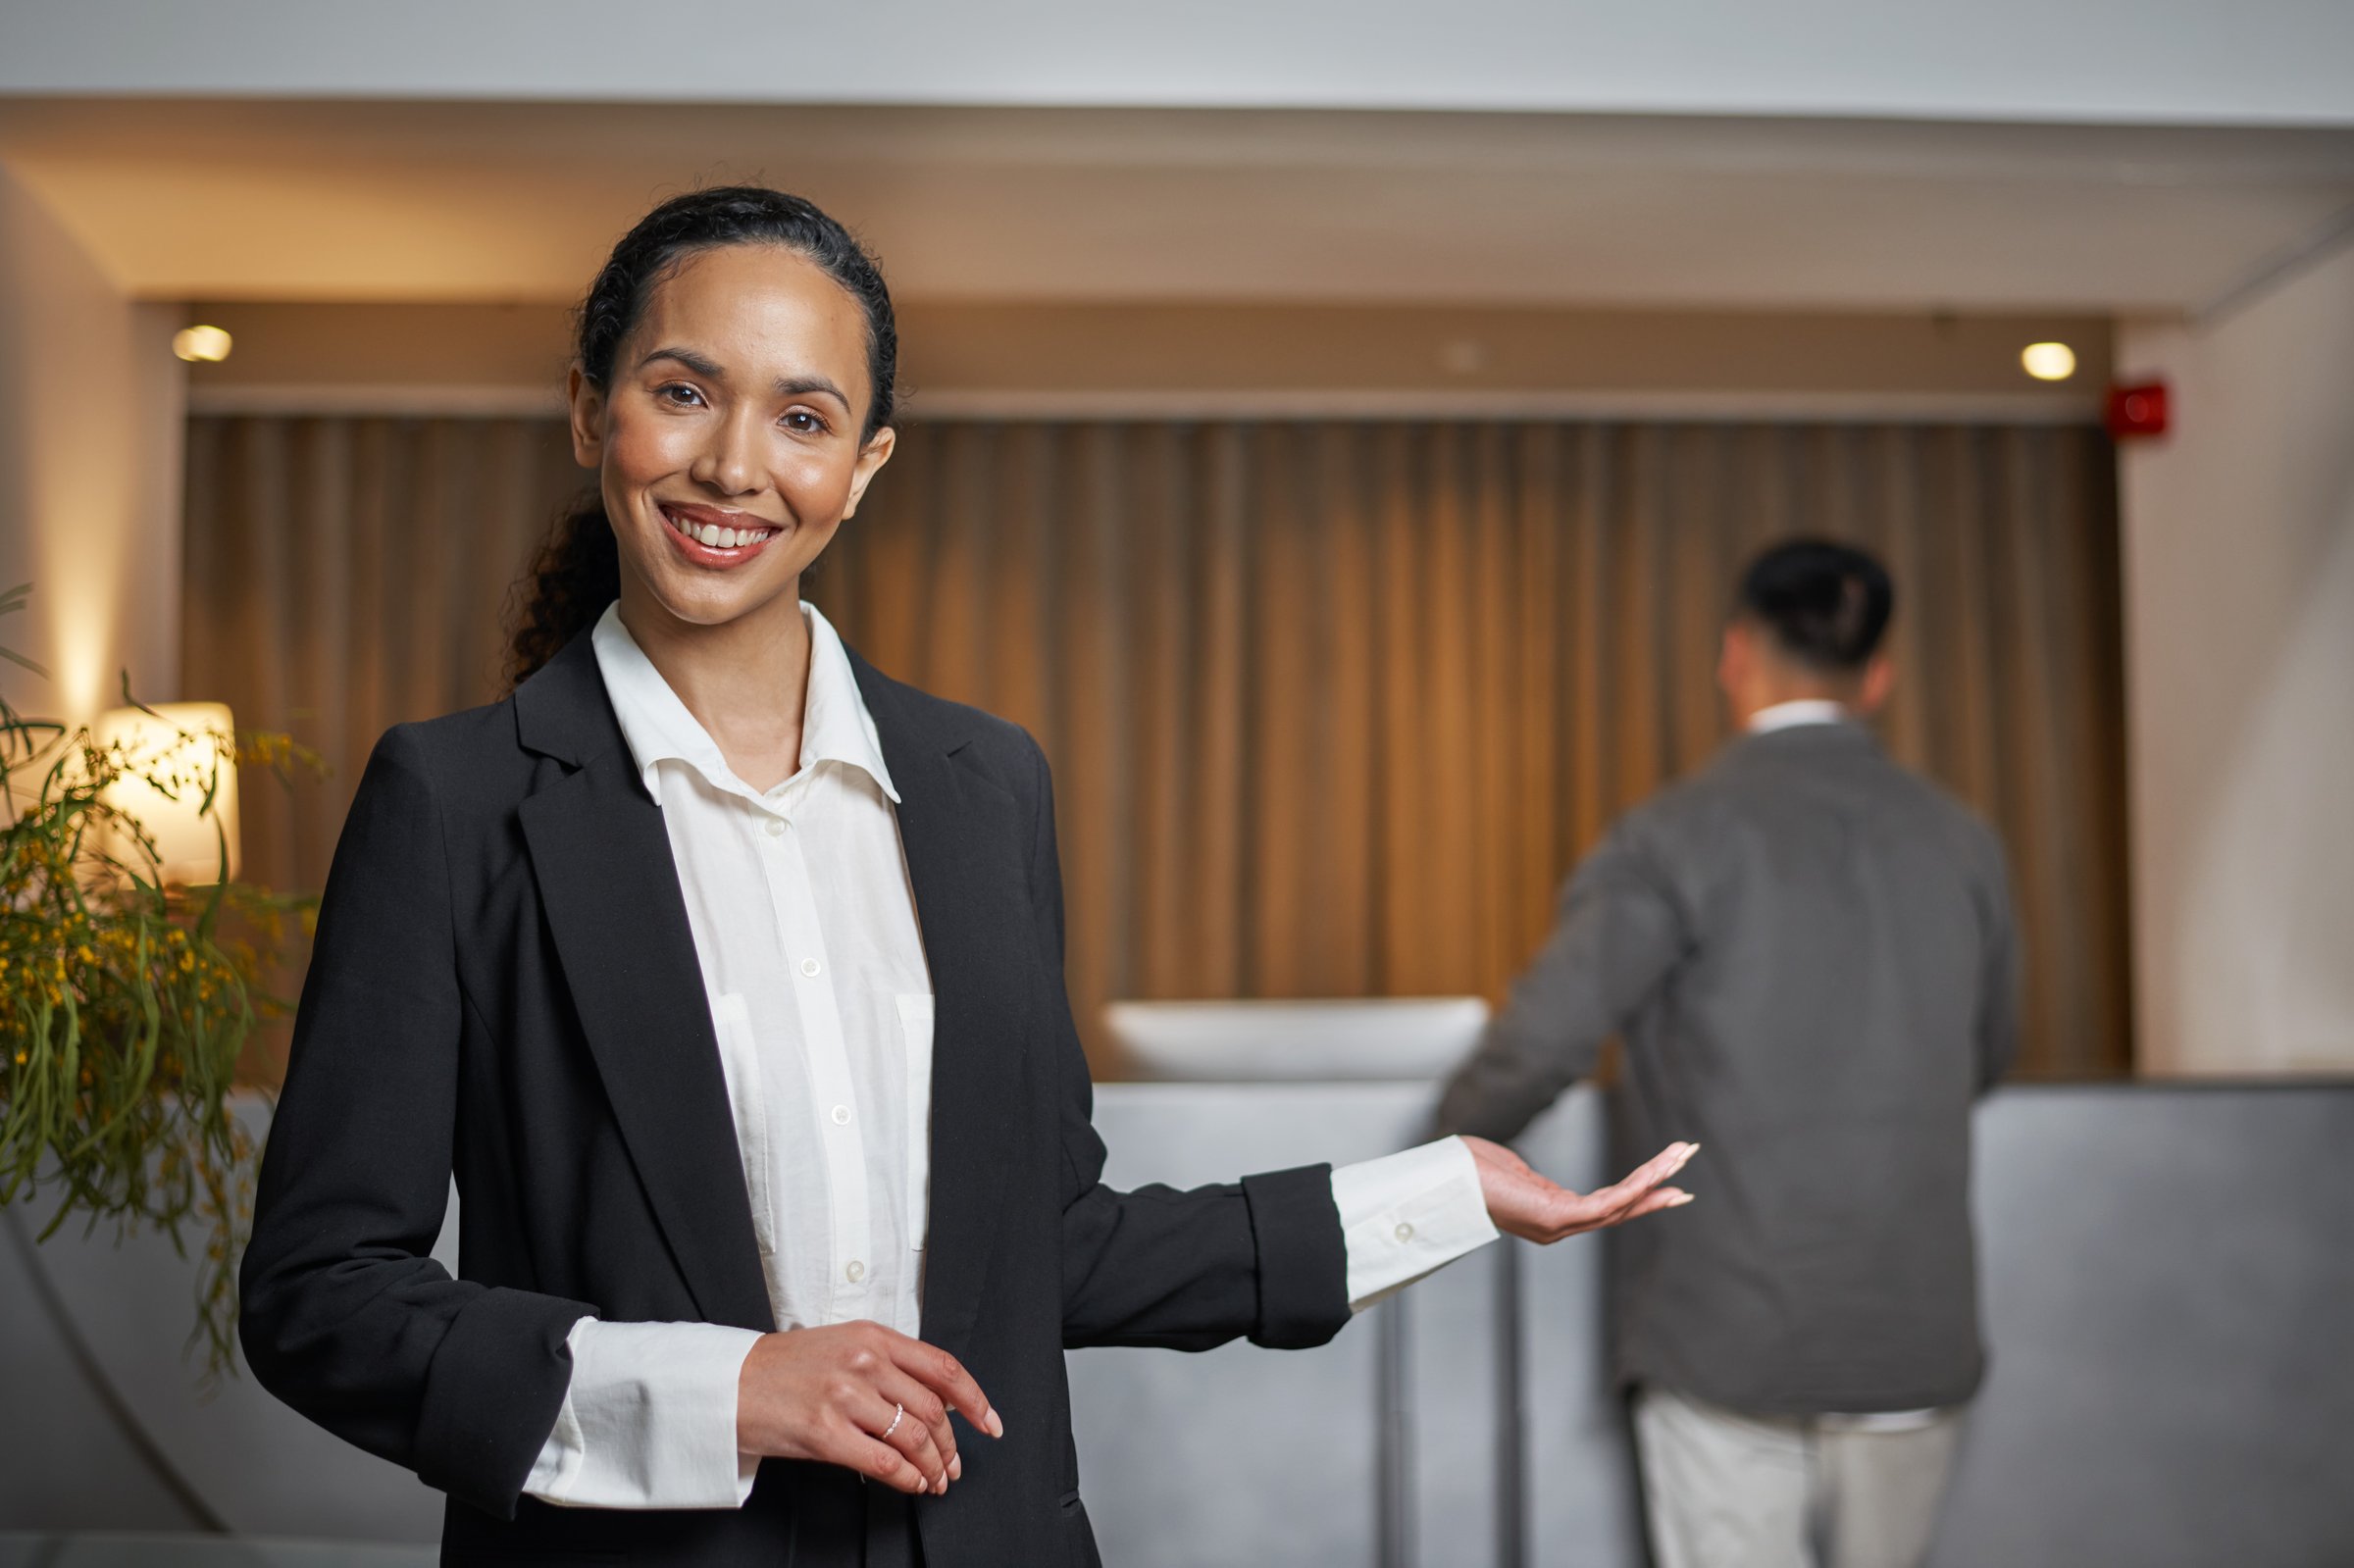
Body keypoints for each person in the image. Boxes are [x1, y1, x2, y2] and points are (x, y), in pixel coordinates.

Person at [237, 186, 1697, 1568]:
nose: (736, 463)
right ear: (587, 406)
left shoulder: (985, 785)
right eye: (682, 390)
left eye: (803, 416)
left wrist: (1447, 1189)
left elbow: (1041, 1242)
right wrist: (726, 1385)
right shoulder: (455, 798)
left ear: (864, 464)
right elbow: (319, 1299)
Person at [1437, 539, 2019, 1568]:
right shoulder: (1961, 838)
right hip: (1914, 1337)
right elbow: (1989, 1056)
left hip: (1727, 1333)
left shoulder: (1673, 836)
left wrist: (1433, 1157)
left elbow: (1540, 1044)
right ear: (1877, 677)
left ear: (1734, 655)